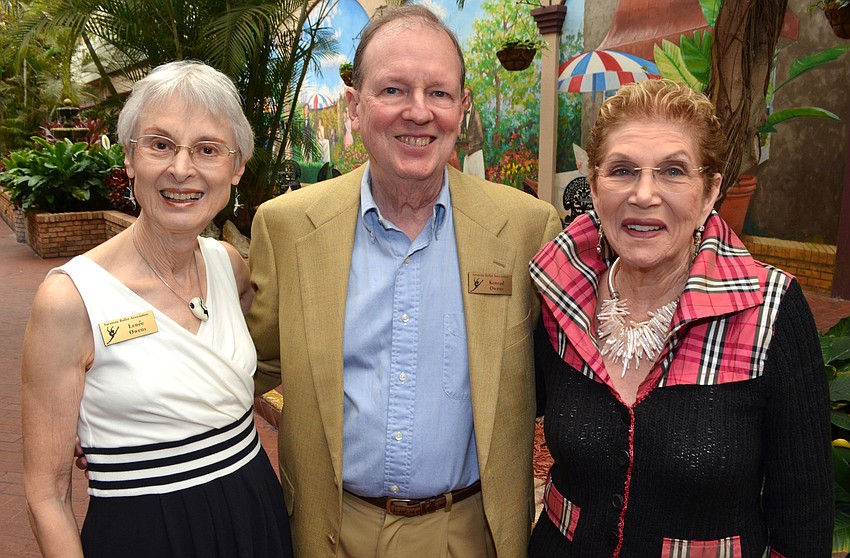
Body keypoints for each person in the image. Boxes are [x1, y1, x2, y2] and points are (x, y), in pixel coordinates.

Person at [246, 4, 562, 557]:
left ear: (462, 108)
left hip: (472, 534)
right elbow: (250, 367)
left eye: (439, 93)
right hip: (332, 532)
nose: (419, 112)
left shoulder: (525, 230)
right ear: (354, 106)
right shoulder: (288, 229)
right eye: (393, 90)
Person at [528, 79, 833, 556]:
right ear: (594, 187)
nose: (644, 194)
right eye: (622, 170)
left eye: (673, 171)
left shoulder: (770, 311)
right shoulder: (562, 294)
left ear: (709, 192)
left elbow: (804, 519)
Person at [22, 60, 293, 558]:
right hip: (143, 535)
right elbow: (46, 495)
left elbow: (230, 375)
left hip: (255, 518)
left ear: (236, 168)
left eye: (207, 149)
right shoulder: (72, 299)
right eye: (161, 144)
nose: (182, 169)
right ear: (130, 158)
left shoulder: (229, 267)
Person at [460, 87, 485, 179]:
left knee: (478, 181)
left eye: (464, 97)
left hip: (476, 154)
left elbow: (481, 137)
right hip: (468, 155)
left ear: (469, 99)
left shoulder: (476, 114)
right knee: (467, 180)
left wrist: (470, 147)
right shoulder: (463, 114)